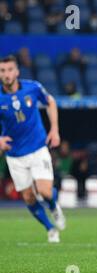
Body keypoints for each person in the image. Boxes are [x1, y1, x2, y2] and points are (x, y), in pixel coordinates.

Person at [0, 55, 66, 243]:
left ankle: (53, 206)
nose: (6, 74)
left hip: (37, 147)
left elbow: (50, 102)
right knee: (29, 197)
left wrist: (54, 129)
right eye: (2, 71)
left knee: (44, 191)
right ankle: (50, 228)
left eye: (10, 69)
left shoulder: (33, 87)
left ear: (17, 71)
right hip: (14, 155)